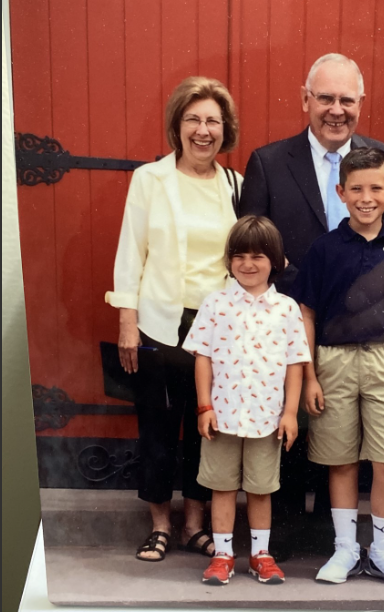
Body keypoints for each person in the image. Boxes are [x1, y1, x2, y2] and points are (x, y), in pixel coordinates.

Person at [105, 76, 242, 562]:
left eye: (212, 120)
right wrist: (127, 319)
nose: (203, 130)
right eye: (193, 119)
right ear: (177, 126)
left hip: (219, 331)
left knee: (207, 428)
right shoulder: (151, 180)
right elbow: (131, 252)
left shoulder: (236, 186)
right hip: (160, 322)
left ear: (226, 128)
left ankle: (193, 525)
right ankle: (160, 525)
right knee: (159, 428)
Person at [293, 147, 384, 587]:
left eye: (375, 188)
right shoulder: (325, 249)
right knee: (341, 459)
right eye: (356, 189)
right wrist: (310, 376)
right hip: (333, 362)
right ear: (341, 192)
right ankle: (346, 549)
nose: (366, 197)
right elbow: (306, 315)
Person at [183, 216, 311, 585]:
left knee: (260, 488)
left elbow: (295, 364)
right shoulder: (215, 304)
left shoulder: (286, 309)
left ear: (276, 260)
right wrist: (205, 406)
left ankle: (260, 555)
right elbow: (203, 358)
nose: (248, 264)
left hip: (266, 419)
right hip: (222, 416)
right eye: (239, 256)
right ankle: (223, 555)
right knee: (221, 486)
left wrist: (290, 414)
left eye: (257, 256)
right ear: (228, 260)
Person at [239, 53, 384, 296]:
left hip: (366, 315)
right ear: (305, 99)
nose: (337, 110)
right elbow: (253, 243)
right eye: (326, 98)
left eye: (347, 100)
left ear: (361, 103)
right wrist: (309, 291)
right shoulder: (268, 164)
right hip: (289, 309)